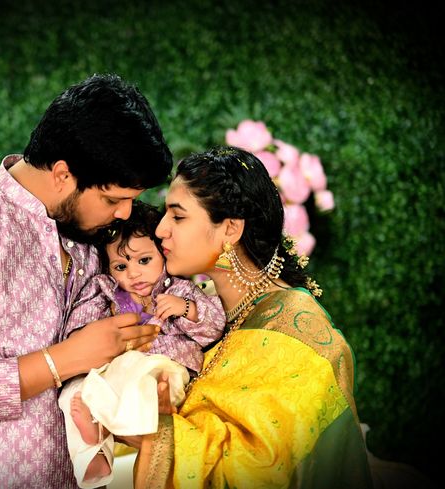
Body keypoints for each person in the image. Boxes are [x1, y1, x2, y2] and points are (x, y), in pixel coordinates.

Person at [0, 73, 174, 489]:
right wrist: (64, 359)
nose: (127, 214)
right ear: (61, 173)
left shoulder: (94, 238)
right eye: (113, 199)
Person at [129, 146, 374, 488]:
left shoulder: (296, 328)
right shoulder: (208, 313)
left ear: (230, 230)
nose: (160, 230)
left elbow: (261, 469)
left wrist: (150, 431)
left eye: (178, 216)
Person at [58, 201, 225, 488]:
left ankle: (124, 424)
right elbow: (78, 329)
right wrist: (98, 328)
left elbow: (213, 328)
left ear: (163, 254)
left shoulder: (178, 288)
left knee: (142, 379)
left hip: (164, 368)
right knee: (71, 394)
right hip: (116, 368)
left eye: (144, 261)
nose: (133, 274)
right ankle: (95, 452)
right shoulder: (106, 291)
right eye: (121, 266)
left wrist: (186, 308)